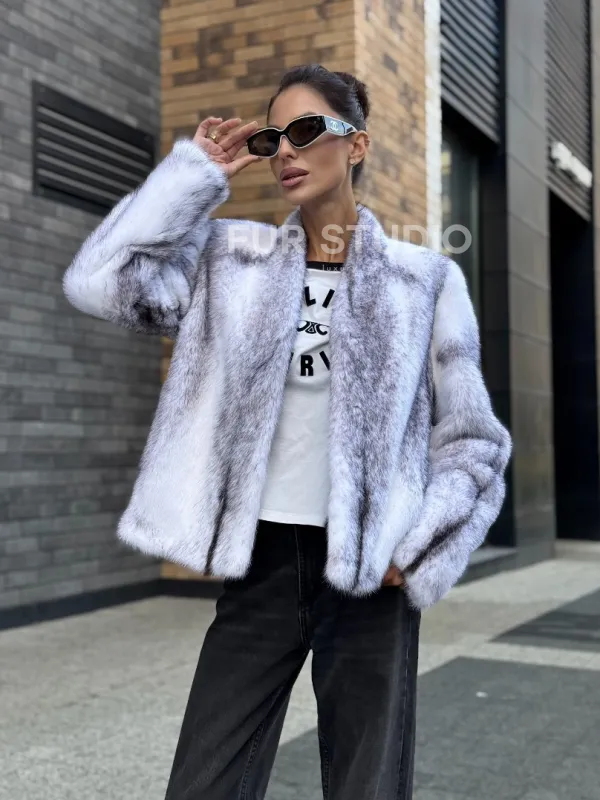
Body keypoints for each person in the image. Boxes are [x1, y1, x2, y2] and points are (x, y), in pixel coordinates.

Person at [63, 64, 511, 800]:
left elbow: (473, 441)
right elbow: (99, 282)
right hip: (263, 563)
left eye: (306, 130)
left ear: (356, 144)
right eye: (274, 138)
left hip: (370, 574)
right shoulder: (228, 261)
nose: (286, 152)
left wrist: (419, 545)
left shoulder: (425, 280)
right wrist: (192, 178)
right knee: (204, 782)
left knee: (366, 787)